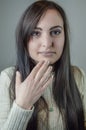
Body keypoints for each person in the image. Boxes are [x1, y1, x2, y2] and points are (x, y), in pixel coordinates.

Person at [0, 0, 86, 130]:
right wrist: (22, 105)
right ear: (24, 39)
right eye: (35, 33)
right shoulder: (7, 78)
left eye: (56, 32)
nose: (46, 43)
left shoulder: (78, 76)